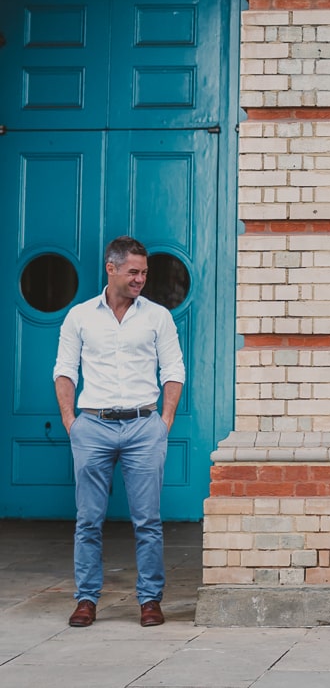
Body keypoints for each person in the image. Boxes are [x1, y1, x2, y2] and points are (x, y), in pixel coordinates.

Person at [53, 235, 185, 629]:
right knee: (88, 519)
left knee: (147, 520)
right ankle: (87, 599)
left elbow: (173, 370)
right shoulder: (80, 316)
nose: (140, 279)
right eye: (133, 272)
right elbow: (64, 370)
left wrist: (165, 422)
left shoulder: (157, 316)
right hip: (92, 425)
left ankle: (149, 600)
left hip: (145, 426)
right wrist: (70, 422)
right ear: (110, 269)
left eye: (144, 272)